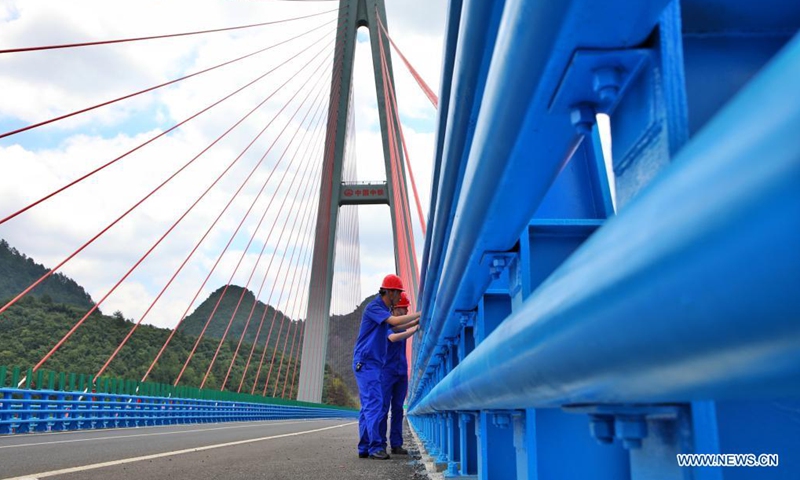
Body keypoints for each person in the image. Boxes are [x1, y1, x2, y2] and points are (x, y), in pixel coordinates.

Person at [353, 274, 420, 460]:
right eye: (398, 294)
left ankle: (366, 447)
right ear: (390, 292)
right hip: (367, 363)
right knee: (374, 404)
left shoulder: (384, 311)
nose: (400, 298)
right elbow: (394, 327)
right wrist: (421, 315)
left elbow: (399, 327)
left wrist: (415, 323)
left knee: (373, 405)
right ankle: (375, 447)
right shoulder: (376, 307)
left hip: (376, 364)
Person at [379, 291, 419, 455]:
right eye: (403, 309)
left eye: (406, 309)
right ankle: (380, 444)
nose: (405, 312)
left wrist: (416, 323)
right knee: (383, 408)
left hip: (401, 372)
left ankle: (396, 444)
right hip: (387, 372)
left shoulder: (399, 325)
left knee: (398, 409)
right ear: (396, 309)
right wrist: (414, 330)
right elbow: (393, 338)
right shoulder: (386, 325)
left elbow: (404, 326)